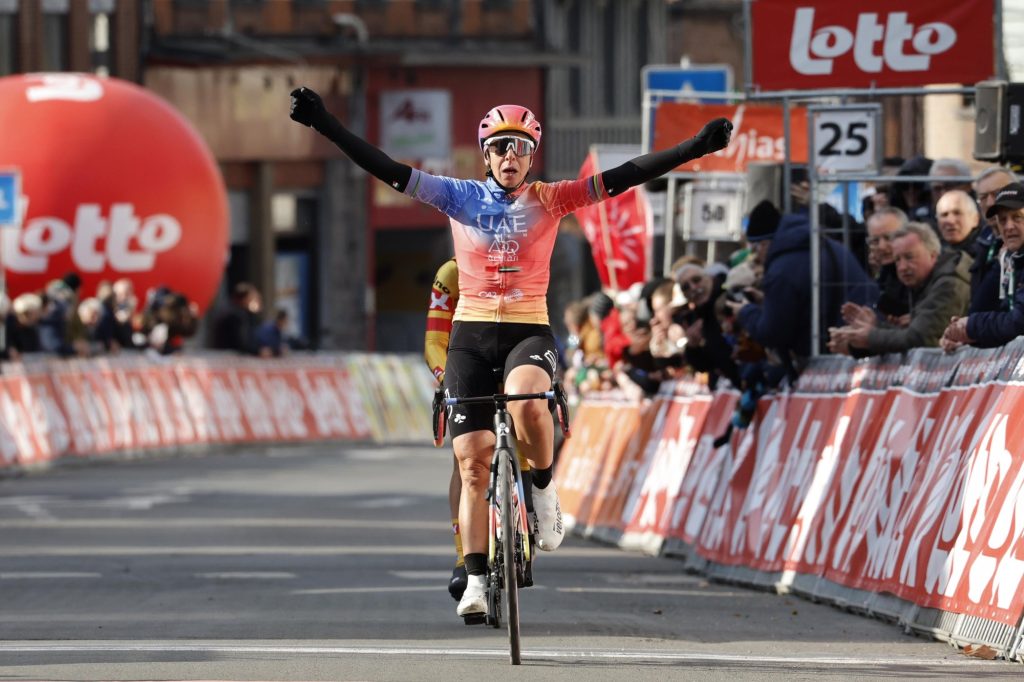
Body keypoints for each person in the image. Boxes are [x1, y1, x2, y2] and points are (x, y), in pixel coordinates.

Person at [290, 86, 732, 617]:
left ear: (532, 155)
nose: (509, 156)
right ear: (486, 154)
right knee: (472, 464)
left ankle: (542, 488)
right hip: (471, 337)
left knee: (527, 402)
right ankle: (476, 578)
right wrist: (325, 123)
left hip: (527, 330)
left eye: (520, 147)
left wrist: (692, 148)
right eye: (500, 147)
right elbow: (384, 167)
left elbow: (626, 175)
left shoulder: (552, 198)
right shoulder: (456, 195)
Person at [728, 200, 878, 381]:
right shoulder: (827, 245)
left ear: (765, 244)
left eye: (755, 249)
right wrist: (766, 301)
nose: (756, 257)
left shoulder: (781, 269)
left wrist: (746, 312)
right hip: (858, 352)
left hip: (832, 363)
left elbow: (772, 332)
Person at [830, 222, 971, 355]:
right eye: (897, 260)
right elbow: (912, 334)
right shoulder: (924, 283)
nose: (902, 267)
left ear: (933, 255)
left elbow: (921, 338)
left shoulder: (949, 284)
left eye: (909, 257)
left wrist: (869, 336)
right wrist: (874, 328)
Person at [942, 182, 1024, 350]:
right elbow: (1005, 324)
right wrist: (966, 337)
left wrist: (971, 327)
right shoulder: (1010, 260)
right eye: (1002, 220)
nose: (1009, 226)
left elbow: (1019, 322)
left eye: (1017, 217)